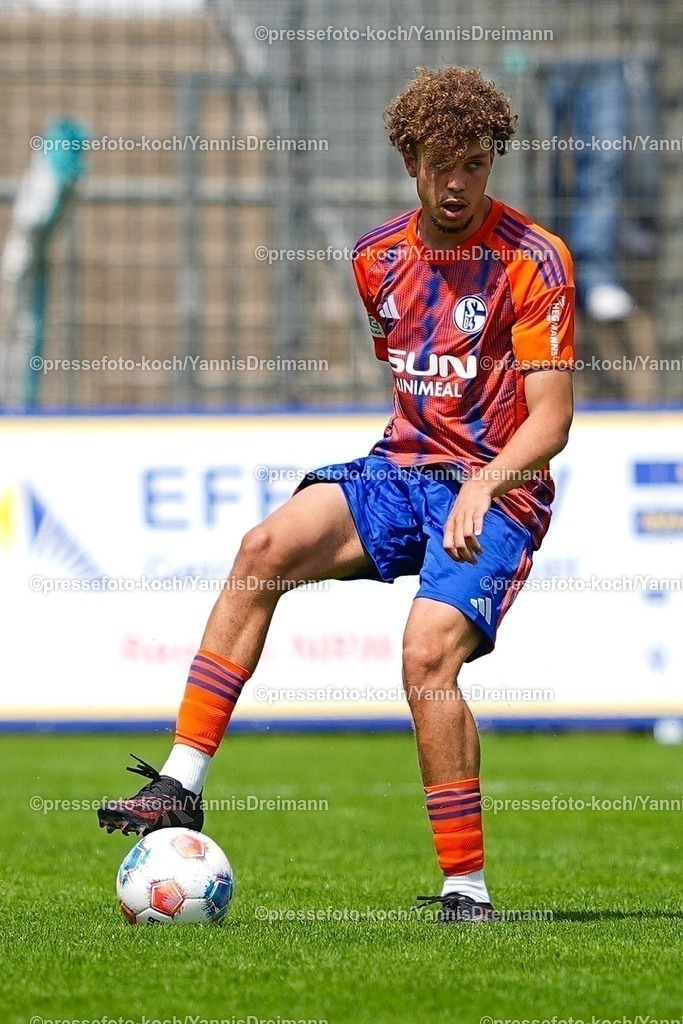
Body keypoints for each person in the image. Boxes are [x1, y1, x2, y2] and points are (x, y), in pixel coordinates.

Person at [98, 66, 575, 924]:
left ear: (491, 161)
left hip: (497, 487)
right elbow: (411, 381)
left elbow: (551, 418)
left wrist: (484, 480)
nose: (457, 182)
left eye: (473, 163)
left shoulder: (532, 260)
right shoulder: (375, 259)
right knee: (262, 551)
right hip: (400, 470)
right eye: (440, 163)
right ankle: (180, 783)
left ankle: (465, 890)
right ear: (409, 160)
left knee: (426, 657)